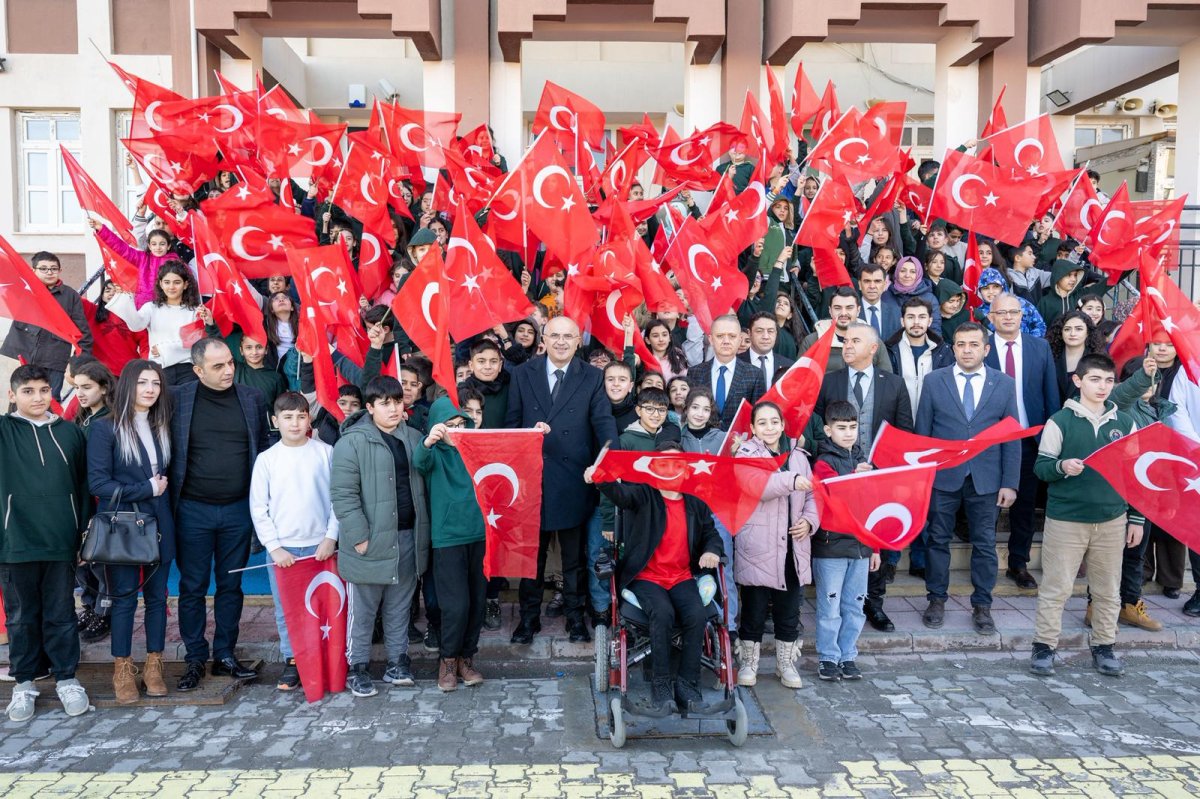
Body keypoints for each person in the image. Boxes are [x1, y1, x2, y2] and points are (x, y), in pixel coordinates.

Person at [586, 441, 723, 716]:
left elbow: (711, 534)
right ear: (655, 468)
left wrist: (711, 551)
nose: (671, 468)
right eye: (665, 463)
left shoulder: (694, 501)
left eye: (677, 463)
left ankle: (687, 684)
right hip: (646, 576)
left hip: (682, 576)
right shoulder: (644, 495)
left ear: (685, 468)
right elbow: (619, 494)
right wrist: (599, 477)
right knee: (662, 612)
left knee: (697, 615)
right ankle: (661, 685)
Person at [505, 316, 617, 645]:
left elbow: (602, 420)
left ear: (578, 341)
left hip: (574, 478)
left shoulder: (592, 376)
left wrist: (609, 454)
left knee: (573, 559)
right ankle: (528, 619)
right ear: (544, 338)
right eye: (555, 336)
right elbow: (513, 423)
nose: (562, 342)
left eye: (569, 336)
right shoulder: (523, 373)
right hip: (533, 478)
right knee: (532, 558)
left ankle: (574, 618)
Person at [1031, 354, 1143, 678]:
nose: (1103, 386)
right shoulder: (1060, 421)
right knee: (1057, 587)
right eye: (1095, 379)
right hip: (1067, 519)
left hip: (1111, 519)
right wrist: (1061, 467)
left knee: (1108, 589)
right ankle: (1044, 646)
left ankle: (1104, 646)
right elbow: (1041, 468)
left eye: (1109, 380)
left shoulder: (1124, 423)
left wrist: (1136, 519)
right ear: (1079, 381)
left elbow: (1135, 475)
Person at [170, 339, 270, 692]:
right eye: (217, 366)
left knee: (231, 585)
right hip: (192, 510)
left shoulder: (252, 398)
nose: (228, 370)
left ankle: (225, 653)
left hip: (238, 510)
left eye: (229, 362)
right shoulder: (177, 398)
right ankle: (195, 657)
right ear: (198, 370)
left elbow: (263, 446)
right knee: (192, 586)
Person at [916, 323, 1021, 635]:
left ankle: (982, 604)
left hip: (986, 479)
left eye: (973, 344)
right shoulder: (935, 381)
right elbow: (924, 432)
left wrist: (1010, 482)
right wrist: (922, 477)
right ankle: (936, 599)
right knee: (936, 539)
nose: (967, 350)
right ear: (954, 347)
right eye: (961, 344)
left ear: (986, 349)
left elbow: (1011, 437)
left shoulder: (1003, 384)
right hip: (942, 476)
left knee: (985, 543)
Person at [1, 365, 91, 723]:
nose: (37, 398)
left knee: (61, 614)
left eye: (42, 390)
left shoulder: (71, 433)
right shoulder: (3, 430)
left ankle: (67, 679)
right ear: (12, 395)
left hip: (61, 540)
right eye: (28, 391)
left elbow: (84, 488)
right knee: (21, 617)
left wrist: (82, 535)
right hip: (14, 541)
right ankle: (24, 683)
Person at [331, 376, 431, 697]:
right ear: (370, 407)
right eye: (385, 403)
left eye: (398, 401)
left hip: (407, 537)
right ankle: (357, 667)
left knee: (400, 607)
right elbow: (343, 494)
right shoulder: (351, 442)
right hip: (369, 541)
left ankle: (397, 663)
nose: (393, 408)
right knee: (363, 611)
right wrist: (359, 536)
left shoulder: (415, 439)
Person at [86, 360, 176, 703]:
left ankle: (154, 664)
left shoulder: (160, 425)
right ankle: (122, 668)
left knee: (157, 599)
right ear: (127, 385)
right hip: (122, 526)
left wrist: (155, 494)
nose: (150, 389)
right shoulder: (105, 428)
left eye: (155, 383)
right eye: (142, 382)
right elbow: (98, 483)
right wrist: (145, 489)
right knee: (124, 598)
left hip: (160, 523)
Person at [814, 324, 912, 632]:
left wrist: (892, 475)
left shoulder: (894, 385)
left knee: (877, 539)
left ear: (873, 348)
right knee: (846, 539)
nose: (847, 344)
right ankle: (838, 601)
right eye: (845, 340)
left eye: (855, 340)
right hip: (840, 478)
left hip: (879, 478)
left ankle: (875, 603)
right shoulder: (829, 382)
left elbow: (904, 432)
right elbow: (818, 427)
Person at [249, 391, 339, 693]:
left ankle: (324, 656)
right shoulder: (267, 460)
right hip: (284, 551)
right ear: (275, 421)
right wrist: (274, 547)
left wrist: (330, 538)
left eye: (301, 416)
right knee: (287, 609)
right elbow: (258, 508)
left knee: (322, 605)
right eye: (287, 417)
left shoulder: (325, 452)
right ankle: (293, 660)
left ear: (309, 418)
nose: (295, 422)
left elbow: (338, 500)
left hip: (321, 548)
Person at [733, 402, 818, 690]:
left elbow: (812, 497)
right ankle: (749, 662)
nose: (769, 428)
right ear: (753, 428)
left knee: (789, 609)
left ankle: (785, 663)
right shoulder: (746, 454)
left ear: (783, 425)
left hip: (794, 546)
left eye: (774, 422)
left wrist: (809, 521)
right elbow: (758, 486)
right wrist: (793, 480)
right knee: (754, 607)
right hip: (758, 544)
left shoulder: (798, 456)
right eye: (762, 423)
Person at [984, 294, 1060, 591]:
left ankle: (1018, 563)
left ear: (1021, 315)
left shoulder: (1039, 348)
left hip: (1029, 440)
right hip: (989, 442)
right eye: (1000, 312)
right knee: (986, 506)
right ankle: (985, 562)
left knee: (1025, 506)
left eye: (1013, 312)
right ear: (990, 317)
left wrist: (1052, 437)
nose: (1007, 317)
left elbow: (1050, 394)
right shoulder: (981, 346)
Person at [414, 395, 488, 692]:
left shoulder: (475, 450)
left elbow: (510, 449)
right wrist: (430, 441)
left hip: (480, 537)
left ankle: (466, 659)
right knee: (455, 605)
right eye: (449, 425)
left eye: (461, 424)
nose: (456, 430)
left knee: (477, 604)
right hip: (448, 539)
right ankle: (447, 660)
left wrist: (536, 432)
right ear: (436, 427)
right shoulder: (435, 455)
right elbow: (419, 461)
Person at [811, 400, 879, 682]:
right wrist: (855, 477)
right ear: (828, 430)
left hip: (861, 548)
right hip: (831, 547)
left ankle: (848, 654)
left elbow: (875, 508)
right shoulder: (823, 462)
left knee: (855, 605)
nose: (848, 433)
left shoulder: (865, 461)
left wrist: (875, 547)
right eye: (841, 428)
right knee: (830, 606)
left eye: (852, 427)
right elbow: (832, 495)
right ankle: (828, 657)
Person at [0, 251, 93, 396]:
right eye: (43, 269)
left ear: (60, 271)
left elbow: (82, 332)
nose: (49, 272)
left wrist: (77, 363)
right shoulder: (22, 289)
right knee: (19, 401)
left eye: (53, 269)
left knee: (49, 402)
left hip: (53, 360)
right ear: (33, 270)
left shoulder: (70, 296)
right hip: (19, 355)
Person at [70, 359, 117, 642]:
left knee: (100, 560)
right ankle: (88, 606)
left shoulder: (109, 419)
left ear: (103, 387)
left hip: (100, 499)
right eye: (77, 387)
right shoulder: (83, 418)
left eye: (87, 387)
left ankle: (104, 612)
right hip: (81, 497)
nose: (81, 393)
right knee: (83, 558)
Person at [107, 261, 213, 386]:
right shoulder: (151, 308)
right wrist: (125, 298)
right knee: (163, 405)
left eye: (177, 282)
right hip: (160, 369)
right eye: (167, 282)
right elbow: (136, 325)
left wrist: (165, 349)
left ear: (185, 285)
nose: (171, 287)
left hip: (188, 371)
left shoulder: (195, 310)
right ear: (161, 284)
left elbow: (193, 344)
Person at [687, 314, 766, 431]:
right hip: (701, 443)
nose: (726, 341)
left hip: (740, 443)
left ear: (740, 340)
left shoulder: (754, 374)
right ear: (711, 339)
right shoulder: (695, 373)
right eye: (720, 336)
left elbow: (758, 415)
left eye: (732, 336)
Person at [799, 288, 893, 375]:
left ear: (858, 310)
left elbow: (886, 381)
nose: (843, 313)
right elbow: (799, 380)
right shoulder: (812, 342)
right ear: (830, 311)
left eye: (849, 308)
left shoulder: (873, 342)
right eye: (837, 308)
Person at [1046, 311, 1108, 402]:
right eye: (1067, 329)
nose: (1072, 333)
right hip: (1054, 414)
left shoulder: (1099, 359)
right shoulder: (1049, 357)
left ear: (1087, 332)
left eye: (1079, 329)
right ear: (1061, 332)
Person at [739, 312, 794, 386]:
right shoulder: (735, 363)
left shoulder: (789, 366)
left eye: (770, 331)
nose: (765, 336)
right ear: (749, 333)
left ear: (776, 333)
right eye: (759, 331)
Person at [857, 263, 901, 341]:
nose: (872, 286)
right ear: (860, 285)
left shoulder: (896, 312)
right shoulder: (851, 312)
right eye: (867, 281)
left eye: (877, 281)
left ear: (885, 285)